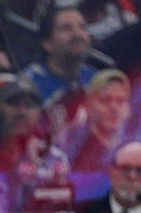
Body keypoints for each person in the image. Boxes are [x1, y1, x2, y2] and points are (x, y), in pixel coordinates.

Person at [21, 6, 96, 135]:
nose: (77, 34)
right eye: (66, 28)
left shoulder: (96, 79)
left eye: (82, 27)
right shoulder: (29, 83)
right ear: (47, 43)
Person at [55, 69, 132, 173]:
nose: (114, 108)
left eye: (121, 101)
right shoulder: (69, 140)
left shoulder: (135, 143)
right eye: (105, 100)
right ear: (88, 105)